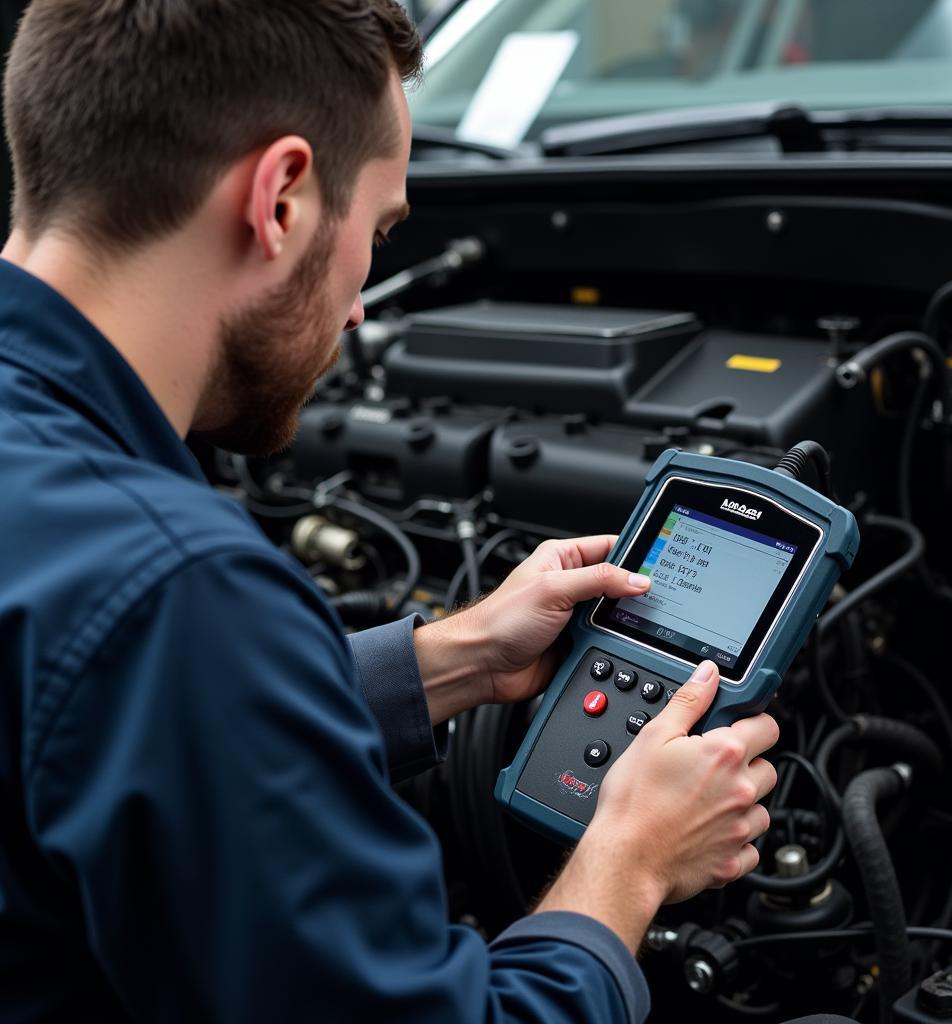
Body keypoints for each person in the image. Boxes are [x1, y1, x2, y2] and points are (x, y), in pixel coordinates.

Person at [0, 2, 778, 1021]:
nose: (363, 302)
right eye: (376, 229)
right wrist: (628, 864)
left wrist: (452, 658)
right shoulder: (177, 593)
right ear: (279, 198)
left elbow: (109, 726)